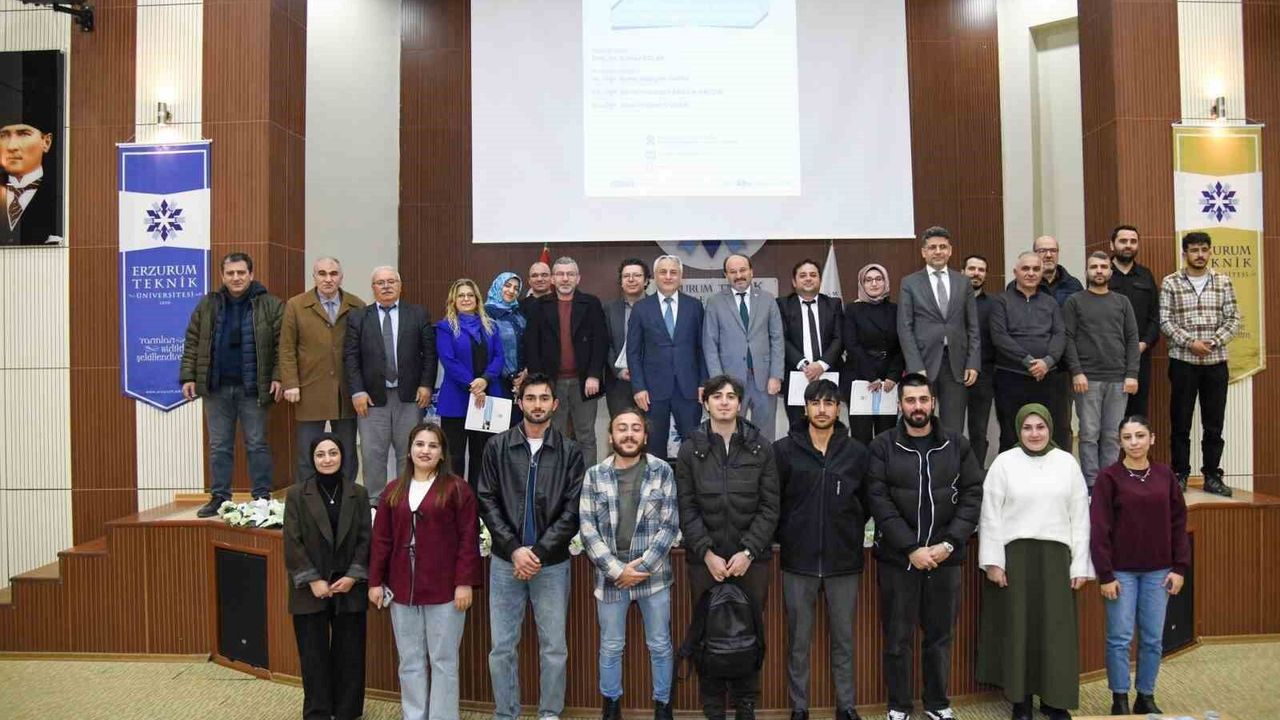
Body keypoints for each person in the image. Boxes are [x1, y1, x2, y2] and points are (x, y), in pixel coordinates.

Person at [866, 373, 984, 720]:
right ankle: (898, 706)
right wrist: (911, 548)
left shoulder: (957, 445)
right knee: (897, 638)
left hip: (945, 559)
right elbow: (878, 500)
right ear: (900, 405)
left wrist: (948, 543)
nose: (917, 407)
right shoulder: (882, 446)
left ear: (933, 403)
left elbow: (972, 495)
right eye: (910, 400)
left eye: (923, 400)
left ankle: (937, 703)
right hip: (898, 560)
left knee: (939, 637)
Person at [477, 373, 585, 720]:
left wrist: (537, 553)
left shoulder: (570, 451)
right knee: (501, 648)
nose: (537, 405)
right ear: (519, 402)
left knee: (554, 648)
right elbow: (487, 500)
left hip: (550, 564)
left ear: (555, 404)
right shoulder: (497, 447)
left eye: (544, 398)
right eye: (531, 398)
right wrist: (513, 549)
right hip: (505, 563)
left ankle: (550, 713)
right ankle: (505, 714)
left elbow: (573, 511)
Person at [977, 404, 1093, 720]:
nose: (1034, 433)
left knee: (1055, 632)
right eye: (1027, 427)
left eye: (1040, 427)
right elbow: (990, 516)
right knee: (1019, 630)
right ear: (1018, 430)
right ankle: (1021, 700)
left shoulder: (1067, 463)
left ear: (1050, 428)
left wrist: (1080, 564)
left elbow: (1080, 516)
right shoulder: (1004, 463)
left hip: (1056, 561)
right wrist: (993, 562)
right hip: (1016, 559)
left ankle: (1055, 700)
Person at [676, 374, 780, 720]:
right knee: (708, 634)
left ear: (739, 403)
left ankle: (746, 704)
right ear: (705, 403)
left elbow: (770, 507)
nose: (724, 402)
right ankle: (713, 707)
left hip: (751, 561)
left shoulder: (761, 447)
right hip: (704, 562)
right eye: (717, 396)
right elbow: (686, 507)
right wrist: (706, 553)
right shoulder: (689, 449)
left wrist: (748, 551)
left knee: (749, 634)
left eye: (731, 396)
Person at [368, 423, 482, 720]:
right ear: (409, 450)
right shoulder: (393, 490)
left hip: (445, 590)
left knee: (443, 660)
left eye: (433, 445)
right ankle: (414, 715)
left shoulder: (458, 489)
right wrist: (375, 581)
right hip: (402, 589)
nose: (425, 451)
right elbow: (381, 540)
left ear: (442, 453)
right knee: (409, 660)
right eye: (419, 444)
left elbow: (468, 539)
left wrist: (464, 583)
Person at [774, 379, 868, 720]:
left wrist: (847, 530)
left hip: (843, 562)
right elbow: (774, 502)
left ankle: (846, 707)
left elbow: (866, 503)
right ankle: (799, 708)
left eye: (829, 403)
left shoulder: (857, 452)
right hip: (798, 562)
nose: (822, 409)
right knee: (798, 643)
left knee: (844, 641)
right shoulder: (783, 450)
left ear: (838, 408)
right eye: (815, 403)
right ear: (806, 408)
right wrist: (790, 534)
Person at [579, 408, 680, 720]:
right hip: (611, 577)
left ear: (645, 436)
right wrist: (617, 570)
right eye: (621, 428)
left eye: (636, 428)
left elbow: (670, 525)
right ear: (610, 437)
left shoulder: (662, 471)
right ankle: (611, 707)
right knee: (611, 647)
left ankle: (663, 706)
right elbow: (587, 529)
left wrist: (641, 568)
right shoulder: (594, 475)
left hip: (654, 577)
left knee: (660, 645)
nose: (629, 434)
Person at [1090, 415, 1189, 716]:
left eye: (1140, 436)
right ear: (1120, 442)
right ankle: (1119, 698)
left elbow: (1178, 523)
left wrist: (1179, 568)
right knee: (1120, 638)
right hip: (1120, 573)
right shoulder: (1108, 478)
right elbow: (1099, 529)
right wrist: (1105, 574)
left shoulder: (1165, 475)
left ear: (1152, 439)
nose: (1134, 442)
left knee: (1152, 639)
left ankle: (1145, 695)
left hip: (1159, 572)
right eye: (1127, 437)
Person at [180, 252, 284, 517]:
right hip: (216, 388)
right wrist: (188, 376)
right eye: (230, 273)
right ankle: (219, 498)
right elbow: (192, 341)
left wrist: (278, 376)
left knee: (257, 444)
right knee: (219, 446)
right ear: (222, 276)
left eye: (241, 273)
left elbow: (281, 345)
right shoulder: (208, 304)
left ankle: (262, 497)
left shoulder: (270, 305)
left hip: (254, 389)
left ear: (251, 274)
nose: (236, 278)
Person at [283, 434, 371, 720]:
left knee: (350, 655)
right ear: (312, 458)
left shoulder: (358, 493)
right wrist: (313, 580)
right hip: (310, 588)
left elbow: (365, 540)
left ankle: (347, 711)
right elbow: (292, 542)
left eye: (333, 453)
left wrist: (353, 576)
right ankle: (318, 712)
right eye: (320, 454)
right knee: (313, 656)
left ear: (343, 456)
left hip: (349, 587)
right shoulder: (297, 494)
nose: (327, 459)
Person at [344, 266, 437, 506]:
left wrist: (426, 385)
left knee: (409, 452)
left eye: (391, 281)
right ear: (373, 288)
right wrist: (357, 391)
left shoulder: (417, 314)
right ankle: (375, 504)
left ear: (400, 285)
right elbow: (351, 357)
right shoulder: (358, 317)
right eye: (380, 282)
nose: (386, 286)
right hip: (371, 398)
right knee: (372, 454)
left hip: (410, 397)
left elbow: (429, 354)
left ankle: (406, 501)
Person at [1160, 231, 1241, 496]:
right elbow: (1165, 320)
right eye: (1194, 250)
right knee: (1180, 422)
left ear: (1210, 252)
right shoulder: (1171, 282)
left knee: (1214, 424)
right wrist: (1191, 342)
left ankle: (1212, 476)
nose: (1200, 255)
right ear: (1184, 253)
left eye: (1204, 249)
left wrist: (1213, 342)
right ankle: (1179, 474)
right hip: (1183, 362)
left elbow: (1233, 319)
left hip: (1216, 363)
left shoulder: (1223, 281)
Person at [278, 257, 366, 482]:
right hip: (309, 388)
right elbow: (286, 348)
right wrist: (290, 383)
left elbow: (365, 350)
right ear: (314, 277)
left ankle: (346, 496)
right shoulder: (296, 305)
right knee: (308, 451)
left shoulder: (357, 305)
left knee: (346, 451)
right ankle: (308, 498)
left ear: (341, 277)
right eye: (322, 274)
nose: (328, 279)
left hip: (346, 392)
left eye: (333, 274)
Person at [1063, 251, 1140, 488]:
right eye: (1094, 267)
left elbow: (1132, 338)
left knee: (1112, 435)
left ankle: (1108, 483)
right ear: (1086, 271)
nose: (1099, 271)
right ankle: (1091, 483)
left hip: (1119, 379)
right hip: (1087, 379)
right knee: (1088, 434)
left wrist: (1132, 374)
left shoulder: (1122, 302)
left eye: (1103, 267)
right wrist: (1077, 371)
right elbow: (1068, 338)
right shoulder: (1075, 301)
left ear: (1110, 271)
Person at [525, 256, 610, 464]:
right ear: (553, 279)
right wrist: (539, 382)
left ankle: (587, 479)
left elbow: (600, 342)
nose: (565, 278)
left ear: (578, 278)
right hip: (551, 383)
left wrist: (594, 375)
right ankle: (558, 479)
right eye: (560, 274)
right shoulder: (539, 306)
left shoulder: (591, 303)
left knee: (586, 436)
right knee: (554, 435)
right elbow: (531, 345)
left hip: (585, 383)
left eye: (570, 274)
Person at [897, 226, 980, 435]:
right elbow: (905, 327)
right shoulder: (909, 283)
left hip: (957, 366)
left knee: (953, 428)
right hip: (923, 364)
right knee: (920, 424)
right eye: (932, 247)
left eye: (943, 247)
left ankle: (950, 459)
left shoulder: (963, 282)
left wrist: (973, 362)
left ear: (950, 251)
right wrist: (915, 365)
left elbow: (973, 326)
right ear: (923, 252)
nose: (938, 251)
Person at [627, 254, 708, 458]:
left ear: (681, 277)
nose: (668, 276)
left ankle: (690, 481)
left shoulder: (695, 306)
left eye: (673, 272)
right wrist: (639, 387)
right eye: (663, 272)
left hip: (688, 389)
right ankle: (658, 481)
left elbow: (702, 348)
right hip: (652, 391)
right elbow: (633, 352)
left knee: (694, 446)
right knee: (654, 446)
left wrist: (703, 383)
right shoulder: (641, 308)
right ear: (654, 277)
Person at [989, 252, 1068, 452]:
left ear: (1042, 273)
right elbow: (999, 336)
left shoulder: (1050, 302)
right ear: (1015, 272)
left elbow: (1059, 334)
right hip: (1011, 378)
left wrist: (1047, 362)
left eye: (1035, 269)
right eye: (1025, 268)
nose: (1031, 273)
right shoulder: (1001, 301)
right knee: (1010, 433)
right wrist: (1029, 361)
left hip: (1047, 377)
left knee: (1049, 432)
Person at [703, 253, 785, 441]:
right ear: (726, 275)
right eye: (733, 272)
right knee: (729, 434)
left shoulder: (768, 299)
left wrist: (776, 375)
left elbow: (777, 339)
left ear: (751, 272)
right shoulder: (715, 302)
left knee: (764, 435)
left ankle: (763, 462)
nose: (739, 275)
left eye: (743, 270)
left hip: (764, 380)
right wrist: (719, 382)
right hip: (729, 381)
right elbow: (710, 344)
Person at [436, 278, 504, 489]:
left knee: (482, 456)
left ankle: (479, 502)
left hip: (487, 399)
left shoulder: (491, 326)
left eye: (470, 295)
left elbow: (499, 357)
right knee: (454, 457)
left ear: (477, 299)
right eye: (461, 295)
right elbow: (449, 360)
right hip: (456, 401)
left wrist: (484, 380)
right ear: (453, 300)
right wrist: (473, 386)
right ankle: (454, 499)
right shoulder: (445, 327)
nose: (466, 299)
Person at [1, 53, 62, 245]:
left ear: (46, 142)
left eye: (23, 134)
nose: (12, 146)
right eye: (4, 135)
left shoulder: (59, 198)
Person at [777, 258, 843, 427]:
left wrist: (821, 364)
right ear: (794, 282)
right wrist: (805, 365)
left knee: (828, 425)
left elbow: (839, 338)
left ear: (820, 280)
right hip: (796, 375)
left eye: (813, 275)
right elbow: (781, 338)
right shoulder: (782, 305)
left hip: (828, 373)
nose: (808, 278)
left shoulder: (833, 304)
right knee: (798, 427)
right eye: (803, 275)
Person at [842, 263, 903, 444]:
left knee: (887, 438)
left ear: (886, 282)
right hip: (860, 377)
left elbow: (903, 346)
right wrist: (871, 377)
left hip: (888, 381)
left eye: (879, 279)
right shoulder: (852, 309)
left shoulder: (897, 310)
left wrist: (893, 376)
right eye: (868, 280)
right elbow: (851, 345)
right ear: (862, 284)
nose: (874, 284)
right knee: (861, 438)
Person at [1032, 235, 1083, 447]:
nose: (1048, 255)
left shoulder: (1073, 285)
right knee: (1032, 421)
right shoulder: (1022, 283)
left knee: (1062, 423)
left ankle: (1063, 464)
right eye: (1042, 250)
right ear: (1035, 254)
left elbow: (1080, 324)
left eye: (1052, 250)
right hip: (1033, 365)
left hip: (1063, 367)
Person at [1108, 225, 1161, 417]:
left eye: (1133, 241)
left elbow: (1155, 316)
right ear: (1112, 245)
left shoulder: (1146, 275)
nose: (1128, 245)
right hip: (1107, 359)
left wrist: (1144, 343)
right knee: (1109, 417)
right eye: (1123, 241)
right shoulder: (1101, 274)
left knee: (1137, 414)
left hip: (1139, 356)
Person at [604, 258, 651, 417]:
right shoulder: (609, 309)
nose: (631, 279)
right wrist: (618, 370)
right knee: (622, 427)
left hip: (650, 381)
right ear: (621, 282)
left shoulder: (657, 307)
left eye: (637, 275)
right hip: (619, 384)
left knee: (650, 429)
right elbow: (605, 344)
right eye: (626, 276)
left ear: (646, 281)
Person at [963, 254, 997, 468]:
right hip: (952, 373)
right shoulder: (950, 302)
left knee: (978, 430)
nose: (976, 273)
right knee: (950, 428)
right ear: (962, 272)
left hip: (984, 375)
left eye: (981, 270)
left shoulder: (994, 304)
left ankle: (975, 475)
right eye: (972, 268)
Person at [484, 271, 528, 412]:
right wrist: (510, 375)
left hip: (521, 381)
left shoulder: (517, 312)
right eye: (507, 285)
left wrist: (524, 373)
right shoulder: (486, 313)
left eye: (516, 288)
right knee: (497, 422)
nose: (511, 291)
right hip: (496, 380)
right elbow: (488, 349)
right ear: (498, 285)